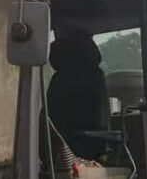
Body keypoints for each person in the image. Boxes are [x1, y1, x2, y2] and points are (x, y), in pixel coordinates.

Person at [46, 31, 111, 160]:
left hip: (57, 151)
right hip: (90, 149)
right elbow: (101, 123)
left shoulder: (57, 80)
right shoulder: (96, 78)